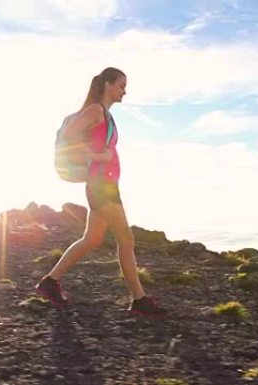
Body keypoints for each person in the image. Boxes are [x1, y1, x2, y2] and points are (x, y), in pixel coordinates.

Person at [35, 67, 167, 317]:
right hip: (100, 185)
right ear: (107, 84)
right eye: (121, 85)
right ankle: (139, 299)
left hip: (105, 184)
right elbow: (69, 134)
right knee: (126, 239)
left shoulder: (105, 114)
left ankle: (50, 282)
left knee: (92, 239)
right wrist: (94, 155)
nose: (124, 91)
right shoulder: (95, 110)